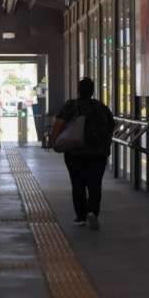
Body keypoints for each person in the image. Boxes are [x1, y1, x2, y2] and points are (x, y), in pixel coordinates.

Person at [50, 77, 115, 229]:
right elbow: (111, 125)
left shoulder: (71, 105)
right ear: (92, 91)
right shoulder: (101, 106)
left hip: (75, 152)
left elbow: (59, 124)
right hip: (98, 153)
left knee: (77, 183)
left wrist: (54, 142)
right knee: (95, 184)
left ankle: (81, 217)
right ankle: (93, 212)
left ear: (78, 90)